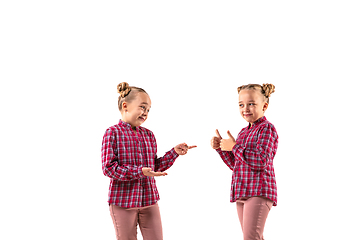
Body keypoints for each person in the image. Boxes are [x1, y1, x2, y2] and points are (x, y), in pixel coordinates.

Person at [102, 82, 196, 240]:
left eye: (148, 109)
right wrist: (139, 172)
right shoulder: (112, 133)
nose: (145, 112)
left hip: (149, 199)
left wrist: (174, 153)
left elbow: (154, 167)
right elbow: (109, 168)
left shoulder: (149, 135)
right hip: (123, 202)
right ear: (125, 106)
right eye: (142, 107)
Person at [211, 83, 278, 240]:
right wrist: (221, 148)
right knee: (254, 237)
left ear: (264, 106)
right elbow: (236, 165)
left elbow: (262, 160)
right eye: (241, 104)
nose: (245, 108)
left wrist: (234, 147)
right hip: (242, 191)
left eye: (251, 104)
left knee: (251, 237)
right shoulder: (243, 132)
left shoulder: (266, 129)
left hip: (259, 191)